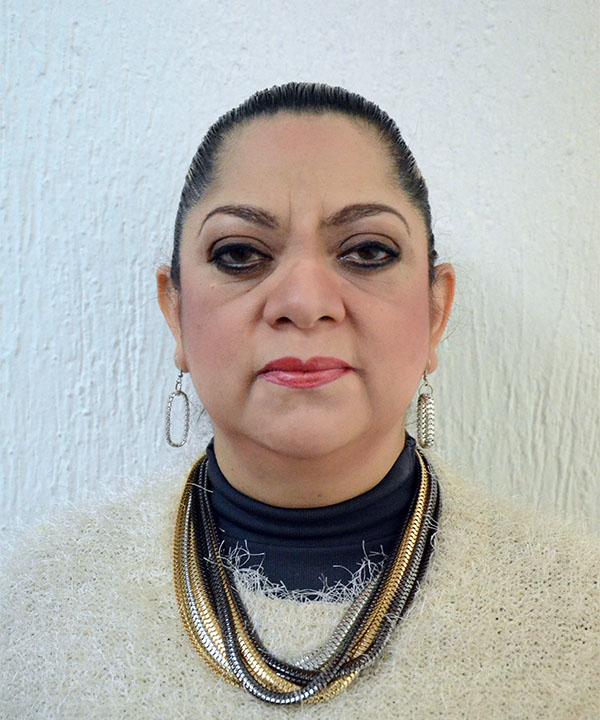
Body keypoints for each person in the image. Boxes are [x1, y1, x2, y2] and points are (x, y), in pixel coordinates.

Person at [2, 83, 598, 718]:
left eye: (368, 251)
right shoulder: (30, 615)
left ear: (436, 310)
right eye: (240, 254)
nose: (305, 302)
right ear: (175, 311)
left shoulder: (578, 623)